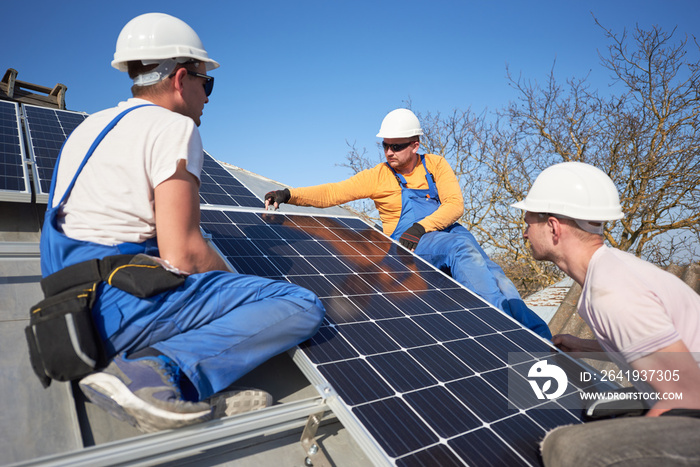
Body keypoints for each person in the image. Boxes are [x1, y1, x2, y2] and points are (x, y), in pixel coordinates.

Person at [39, 13, 325, 432]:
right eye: (206, 83)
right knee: (301, 305)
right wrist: (238, 292)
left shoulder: (87, 128)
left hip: (65, 318)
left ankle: (179, 385)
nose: (208, 96)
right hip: (116, 311)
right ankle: (150, 374)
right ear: (179, 78)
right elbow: (185, 253)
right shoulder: (173, 127)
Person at [265, 108, 551, 339]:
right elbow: (332, 192)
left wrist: (423, 225)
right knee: (461, 250)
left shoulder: (436, 165)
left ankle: (544, 342)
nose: (389, 152)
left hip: (444, 232)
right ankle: (499, 328)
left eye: (397, 146)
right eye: (385, 145)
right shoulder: (378, 176)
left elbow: (455, 205)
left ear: (415, 145)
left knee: (500, 279)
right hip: (408, 244)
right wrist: (288, 194)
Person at [511, 161, 700, 466]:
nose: (524, 232)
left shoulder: (612, 291)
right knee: (596, 410)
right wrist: (583, 346)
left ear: (554, 227)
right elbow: (649, 346)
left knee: (566, 445)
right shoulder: (612, 270)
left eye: (528, 220)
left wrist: (634, 443)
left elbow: (688, 396)